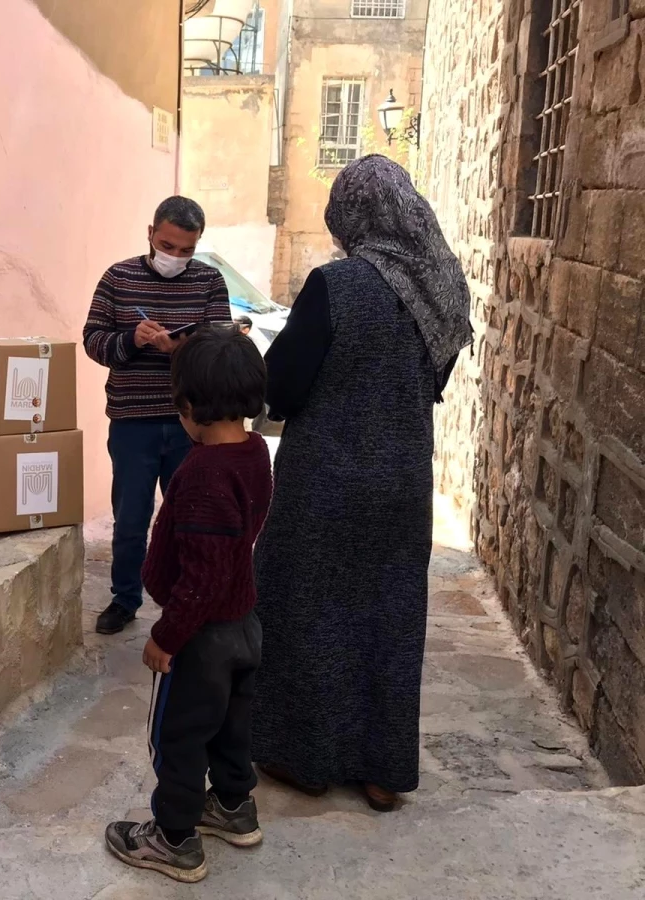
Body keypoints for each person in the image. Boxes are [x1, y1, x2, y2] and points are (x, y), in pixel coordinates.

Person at [251, 155, 472, 812]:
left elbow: (283, 387)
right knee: (389, 618)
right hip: (401, 480)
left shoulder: (336, 284)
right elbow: (433, 383)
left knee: (306, 609)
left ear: (354, 215)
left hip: (325, 478)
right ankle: (382, 772)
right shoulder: (441, 288)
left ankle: (308, 760)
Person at [104, 326, 272, 883]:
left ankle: (174, 838)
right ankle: (232, 806)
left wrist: (166, 637)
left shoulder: (202, 472)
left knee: (178, 736)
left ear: (189, 406)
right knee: (230, 727)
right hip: (244, 624)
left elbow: (201, 576)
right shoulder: (254, 454)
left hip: (203, 637)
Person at [82, 197, 232, 636]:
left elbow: (221, 348)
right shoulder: (118, 277)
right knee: (131, 519)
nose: (176, 257)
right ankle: (124, 599)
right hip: (132, 422)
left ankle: (187, 604)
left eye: (187, 250)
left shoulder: (209, 281)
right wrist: (131, 339)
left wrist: (180, 349)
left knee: (190, 520)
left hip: (192, 424)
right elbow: (93, 341)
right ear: (150, 233)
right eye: (168, 245)